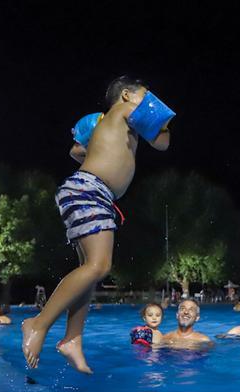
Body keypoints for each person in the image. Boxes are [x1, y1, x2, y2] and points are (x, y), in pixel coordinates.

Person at [21, 76, 172, 374]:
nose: (148, 101)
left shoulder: (111, 124)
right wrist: (163, 119)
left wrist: (97, 150)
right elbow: (162, 142)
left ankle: (72, 339)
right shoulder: (122, 112)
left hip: (94, 192)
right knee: (99, 266)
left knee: (89, 273)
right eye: (145, 95)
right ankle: (37, 325)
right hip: (88, 190)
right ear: (127, 95)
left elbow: (76, 152)